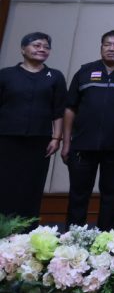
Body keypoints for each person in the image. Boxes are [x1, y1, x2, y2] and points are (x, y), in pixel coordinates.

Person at [63, 30, 114, 230]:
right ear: (101, 47)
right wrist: (66, 143)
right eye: (107, 44)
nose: (111, 48)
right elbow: (70, 108)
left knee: (111, 194)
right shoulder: (85, 72)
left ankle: (106, 238)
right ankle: (73, 237)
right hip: (83, 144)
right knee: (78, 194)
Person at [0, 32, 67, 222]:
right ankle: (3, 227)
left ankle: (27, 228)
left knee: (32, 184)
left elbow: (58, 110)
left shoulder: (55, 76)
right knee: (5, 182)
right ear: (23, 49)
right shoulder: (6, 74)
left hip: (39, 140)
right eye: (37, 45)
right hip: (6, 138)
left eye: (46, 47)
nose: (42, 49)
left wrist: (56, 138)